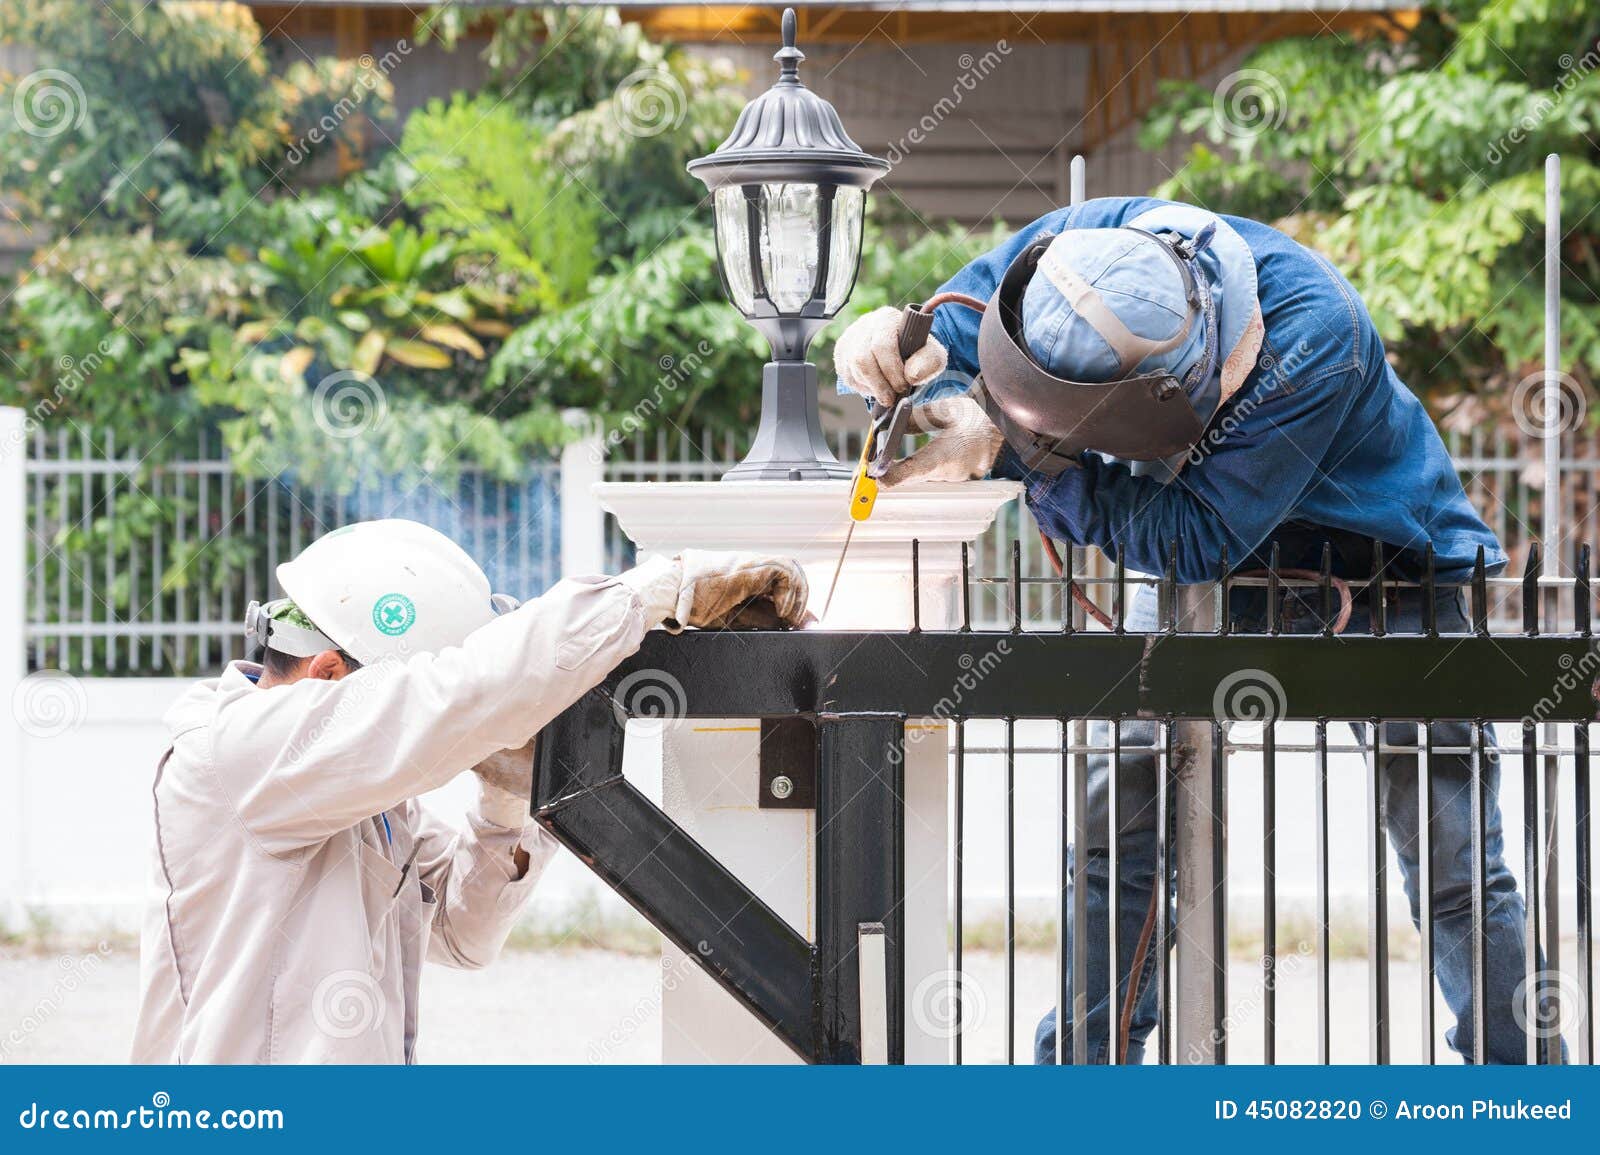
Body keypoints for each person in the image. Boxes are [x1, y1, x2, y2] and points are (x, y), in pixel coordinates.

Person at [834, 197, 1557, 1064]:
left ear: (1169, 394)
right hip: (1201, 574)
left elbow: (1192, 536)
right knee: (1116, 837)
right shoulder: (1078, 249)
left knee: (1454, 867)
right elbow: (949, 331)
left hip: (1386, 574)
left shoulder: (1315, 337)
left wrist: (1016, 453)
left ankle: (1521, 1091)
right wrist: (886, 352)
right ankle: (1082, 1086)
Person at [131, 519, 809, 1063]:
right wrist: (653, 592)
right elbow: (453, 696)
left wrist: (502, 804)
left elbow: (463, 935)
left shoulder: (353, 801)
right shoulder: (239, 751)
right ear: (329, 671)